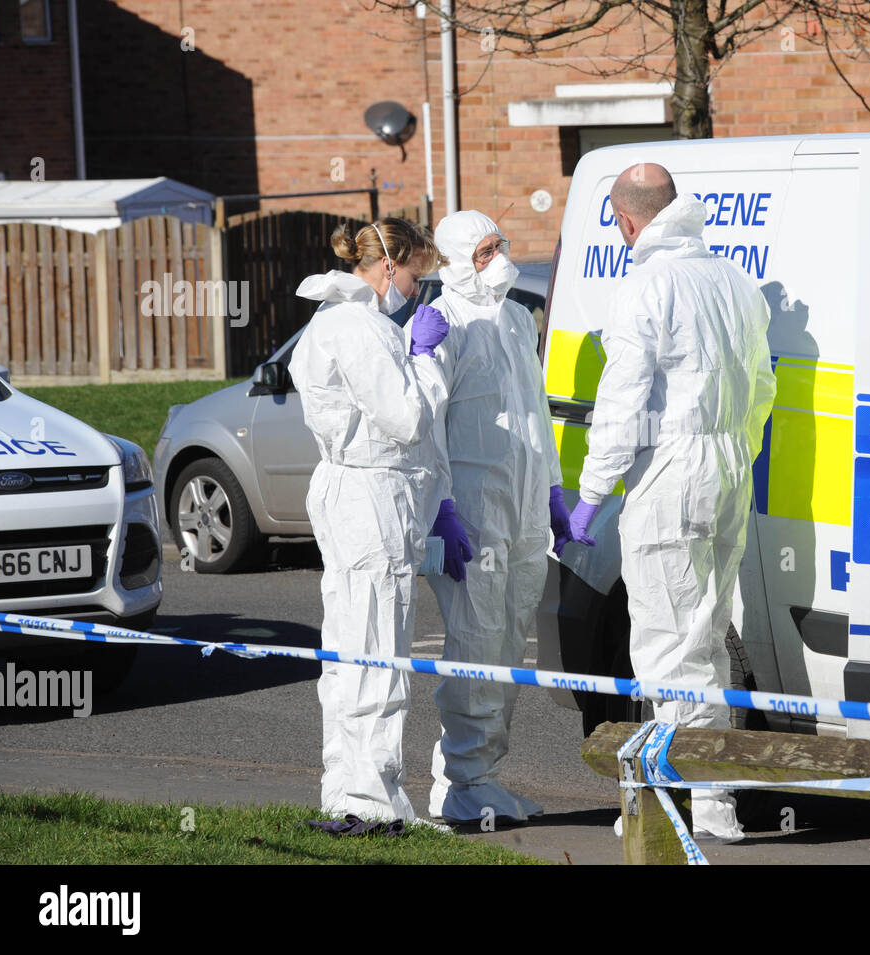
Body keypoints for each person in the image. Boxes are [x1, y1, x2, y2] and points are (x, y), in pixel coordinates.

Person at [569, 164, 776, 843]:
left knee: (663, 639)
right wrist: (734, 454)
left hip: (671, 468)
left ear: (628, 222)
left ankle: (664, 805)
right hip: (726, 468)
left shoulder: (645, 285)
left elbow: (621, 400)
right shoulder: (734, 281)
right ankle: (715, 801)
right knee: (709, 632)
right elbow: (763, 385)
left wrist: (593, 491)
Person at [288, 217, 457, 825]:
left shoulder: (335, 323)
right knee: (376, 651)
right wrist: (425, 355)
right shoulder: (360, 327)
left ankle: (347, 795)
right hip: (370, 498)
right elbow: (407, 418)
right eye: (415, 275)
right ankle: (372, 804)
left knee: (350, 651)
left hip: (355, 493)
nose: (417, 291)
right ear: (390, 266)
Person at [405, 210, 569, 826]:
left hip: (523, 506)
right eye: (482, 251)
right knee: (473, 641)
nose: (497, 258)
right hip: (471, 510)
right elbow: (423, 426)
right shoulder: (441, 325)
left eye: (498, 244)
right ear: (451, 261)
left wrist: (553, 493)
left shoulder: (513, 318)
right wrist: (441, 508)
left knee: (507, 642)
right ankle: (460, 781)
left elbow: (535, 412)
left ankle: (481, 776)